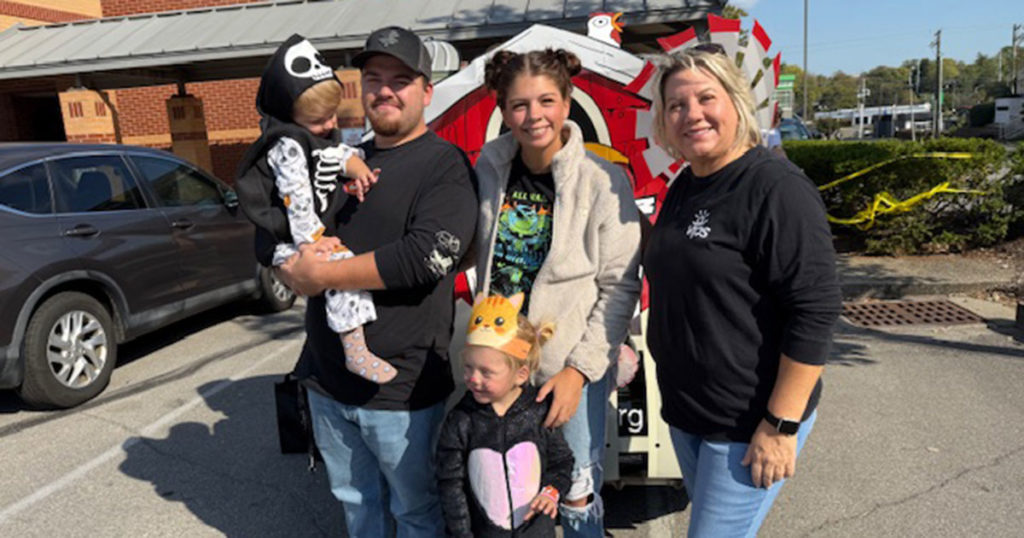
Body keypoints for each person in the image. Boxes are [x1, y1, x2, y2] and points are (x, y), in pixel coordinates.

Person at [268, 26, 479, 537]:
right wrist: (287, 268)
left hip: (402, 391)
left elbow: (424, 258)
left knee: (414, 511)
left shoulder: (443, 165)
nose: (384, 89)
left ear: (427, 91)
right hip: (326, 380)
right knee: (357, 506)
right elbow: (284, 226)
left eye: (400, 79)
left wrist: (320, 273)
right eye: (373, 78)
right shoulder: (339, 159)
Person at [642, 46, 842, 537]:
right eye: (676, 105)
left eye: (706, 98)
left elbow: (815, 310)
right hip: (689, 414)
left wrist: (781, 425)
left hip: (749, 423)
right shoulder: (687, 183)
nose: (692, 114)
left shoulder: (775, 189)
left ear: (735, 101)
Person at [472, 48, 642, 537]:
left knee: (575, 489)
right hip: (499, 363)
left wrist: (579, 370)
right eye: (520, 104)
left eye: (546, 100)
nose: (534, 116)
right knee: (509, 489)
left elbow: (619, 285)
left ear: (567, 103)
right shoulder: (489, 171)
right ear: (503, 111)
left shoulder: (602, 181)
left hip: (565, 369)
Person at [235, 34, 398, 384]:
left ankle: (354, 348)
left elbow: (328, 163)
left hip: (303, 235)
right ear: (290, 114)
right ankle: (355, 349)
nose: (329, 126)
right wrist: (311, 240)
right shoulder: (287, 145)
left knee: (339, 263)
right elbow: (296, 196)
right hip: (286, 238)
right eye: (319, 120)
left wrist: (354, 171)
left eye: (332, 116)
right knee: (340, 264)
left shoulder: (312, 138)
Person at [436, 292, 574, 538]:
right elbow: (450, 483)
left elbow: (562, 463)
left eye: (486, 372)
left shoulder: (538, 412)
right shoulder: (462, 420)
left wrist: (552, 492)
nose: (474, 379)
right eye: (468, 368)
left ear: (520, 375)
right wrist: (461, 533)